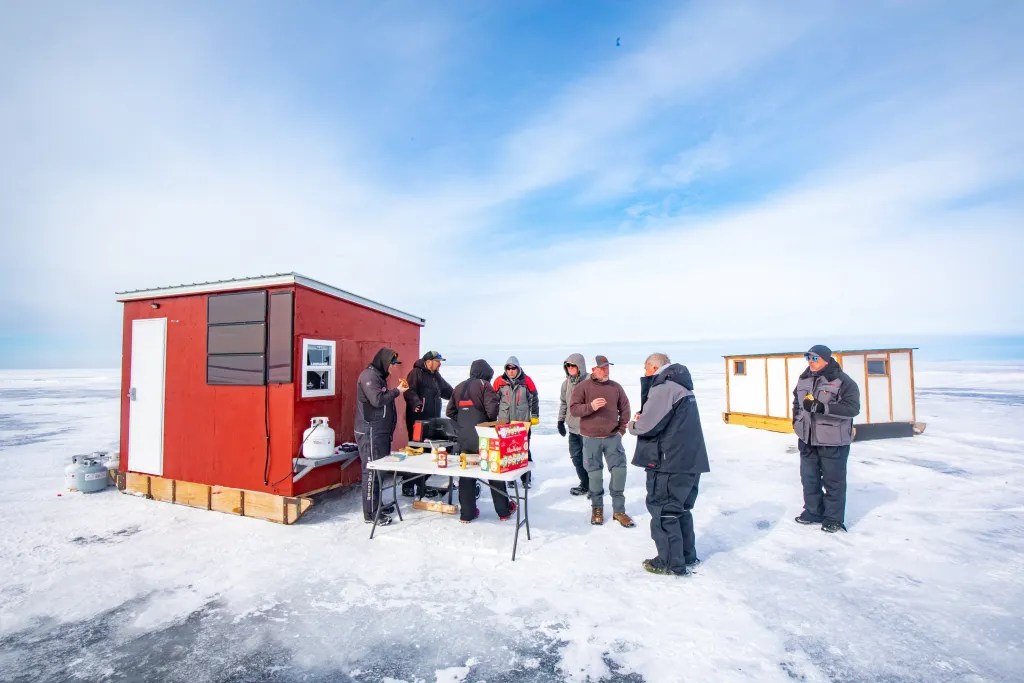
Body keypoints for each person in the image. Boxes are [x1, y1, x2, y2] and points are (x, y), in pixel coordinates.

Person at [628, 353, 710, 576]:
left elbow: (646, 426)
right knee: (681, 510)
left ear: (654, 367)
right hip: (690, 460)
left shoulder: (664, 388)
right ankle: (686, 555)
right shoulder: (682, 385)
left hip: (669, 462)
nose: (644, 373)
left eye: (646, 369)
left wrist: (633, 424)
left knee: (663, 510)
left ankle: (669, 562)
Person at [792, 344, 861, 533]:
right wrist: (796, 422)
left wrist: (824, 408)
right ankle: (813, 512)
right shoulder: (804, 379)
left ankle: (833, 519)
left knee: (833, 481)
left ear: (826, 359)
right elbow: (796, 403)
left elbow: (853, 408)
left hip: (833, 440)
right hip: (807, 438)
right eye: (809, 358)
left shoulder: (842, 381)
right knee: (809, 478)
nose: (811, 362)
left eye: (815, 358)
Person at [446, 360, 516, 523]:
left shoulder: (459, 387)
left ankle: (467, 514)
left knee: (467, 474)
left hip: (464, 438)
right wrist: (483, 421)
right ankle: (503, 511)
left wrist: (464, 421)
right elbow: (492, 413)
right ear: (486, 373)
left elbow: (450, 411)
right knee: (493, 471)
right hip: (484, 437)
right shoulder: (485, 386)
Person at [569, 355, 634, 528]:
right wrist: (591, 407)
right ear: (593, 370)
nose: (606, 370)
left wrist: (621, 431)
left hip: (613, 438)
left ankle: (619, 511)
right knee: (595, 475)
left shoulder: (615, 387)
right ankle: (597, 508)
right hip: (590, 439)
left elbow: (625, 409)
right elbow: (574, 409)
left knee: (619, 472)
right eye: (602, 367)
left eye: (607, 367)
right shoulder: (583, 387)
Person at [355, 347, 408, 526]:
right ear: (384, 362)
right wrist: (397, 391)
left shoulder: (378, 377)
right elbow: (377, 400)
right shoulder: (368, 376)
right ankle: (370, 513)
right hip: (370, 431)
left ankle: (377, 504)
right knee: (371, 471)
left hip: (380, 432)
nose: (393, 367)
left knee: (379, 471)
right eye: (392, 363)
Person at [401, 350, 454, 498]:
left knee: (428, 453)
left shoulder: (435, 375)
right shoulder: (415, 373)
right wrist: (416, 403)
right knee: (416, 453)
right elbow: (408, 391)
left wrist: (457, 396)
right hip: (418, 421)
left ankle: (421, 485)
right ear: (429, 361)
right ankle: (408, 486)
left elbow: (446, 390)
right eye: (438, 362)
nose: (439, 365)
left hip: (432, 420)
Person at [493, 356, 539, 488]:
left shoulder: (527, 381)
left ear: (518, 368)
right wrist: (492, 418)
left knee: (524, 450)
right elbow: (493, 401)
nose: (511, 370)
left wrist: (534, 415)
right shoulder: (499, 382)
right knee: (507, 452)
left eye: (513, 368)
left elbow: (534, 399)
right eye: (508, 368)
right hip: (505, 424)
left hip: (522, 423)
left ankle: (526, 478)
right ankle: (510, 479)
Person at [557, 353, 590, 496]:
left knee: (589, 460)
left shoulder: (590, 381)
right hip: (573, 429)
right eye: (567, 365)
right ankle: (584, 484)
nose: (570, 368)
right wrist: (560, 421)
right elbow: (564, 403)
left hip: (587, 429)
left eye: (573, 365)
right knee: (576, 459)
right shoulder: (566, 383)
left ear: (580, 366)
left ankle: (595, 488)